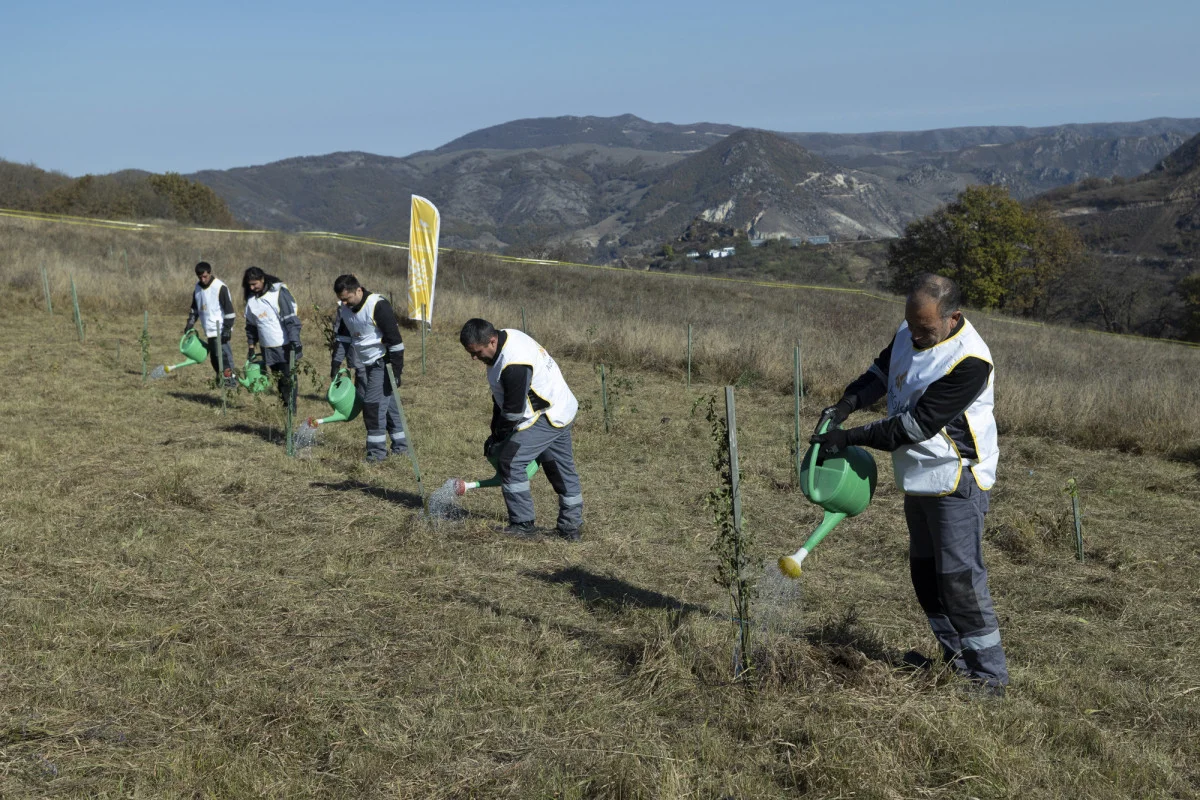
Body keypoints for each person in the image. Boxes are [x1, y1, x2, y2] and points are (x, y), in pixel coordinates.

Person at [809, 273, 1008, 698]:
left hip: (956, 478)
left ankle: (989, 680)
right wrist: (845, 405)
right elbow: (881, 372)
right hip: (918, 478)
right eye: (911, 324)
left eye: (926, 329)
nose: (916, 335)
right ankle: (955, 663)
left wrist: (850, 438)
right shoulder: (909, 329)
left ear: (953, 318)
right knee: (925, 575)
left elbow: (916, 426)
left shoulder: (970, 361)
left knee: (958, 580)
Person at [459, 318, 583, 541]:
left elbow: (514, 412)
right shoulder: (506, 338)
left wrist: (499, 438)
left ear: (492, 340)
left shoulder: (514, 363)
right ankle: (570, 528)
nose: (474, 358)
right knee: (559, 468)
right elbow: (502, 400)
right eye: (470, 353)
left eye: (477, 352)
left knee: (511, 461)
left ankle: (523, 524)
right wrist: (495, 431)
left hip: (548, 414)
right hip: (561, 405)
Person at [329, 275, 408, 463]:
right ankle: (401, 448)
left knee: (372, 407)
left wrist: (396, 373)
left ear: (359, 290)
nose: (345, 303)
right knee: (389, 407)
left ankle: (376, 455)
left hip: (383, 363)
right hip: (367, 364)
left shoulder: (378, 305)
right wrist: (335, 364)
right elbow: (343, 337)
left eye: (347, 298)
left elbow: (396, 343)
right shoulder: (344, 309)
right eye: (341, 299)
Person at [243, 266, 302, 409]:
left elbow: (290, 319)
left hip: (285, 345)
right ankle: (284, 405)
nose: (252, 287)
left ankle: (291, 409)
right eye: (249, 285)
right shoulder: (251, 301)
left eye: (254, 284)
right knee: (278, 378)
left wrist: (295, 341)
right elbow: (251, 326)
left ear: (262, 279)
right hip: (267, 347)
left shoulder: (277, 293)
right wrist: (251, 346)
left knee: (288, 377)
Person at [183, 261, 236, 387]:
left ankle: (231, 384)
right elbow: (194, 309)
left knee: (224, 358)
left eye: (205, 276)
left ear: (210, 273)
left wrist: (227, 329)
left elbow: (230, 312)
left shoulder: (220, 287)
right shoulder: (197, 288)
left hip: (221, 329)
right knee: (214, 359)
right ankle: (221, 381)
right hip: (209, 330)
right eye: (200, 277)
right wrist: (190, 323)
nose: (203, 279)